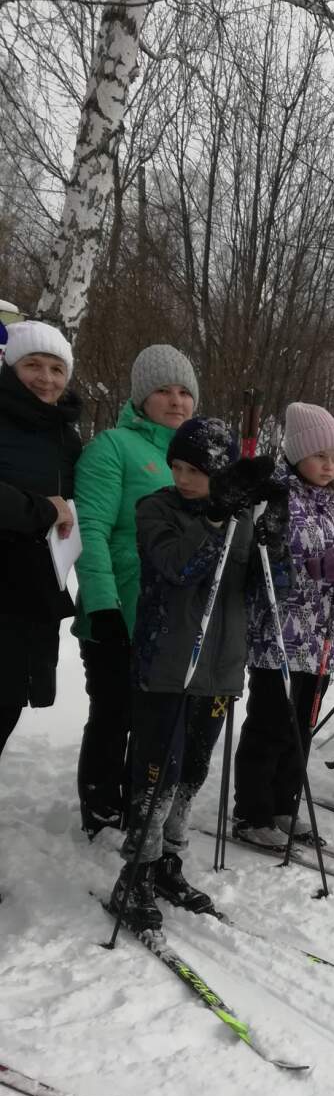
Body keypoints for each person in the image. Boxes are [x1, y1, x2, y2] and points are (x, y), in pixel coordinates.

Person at [108, 420, 282, 930]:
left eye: (197, 471)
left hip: (220, 669)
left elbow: (266, 590)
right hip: (167, 666)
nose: (183, 478)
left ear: (223, 473)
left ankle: (169, 861)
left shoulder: (243, 517)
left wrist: (274, 537)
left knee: (192, 773)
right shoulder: (155, 509)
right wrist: (214, 516)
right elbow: (178, 568)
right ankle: (136, 871)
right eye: (178, 467)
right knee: (158, 775)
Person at [233, 404, 334, 848]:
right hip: (278, 634)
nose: (329, 466)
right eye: (320, 457)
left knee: (301, 728)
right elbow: (260, 564)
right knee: (271, 725)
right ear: (296, 455)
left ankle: (283, 805)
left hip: (323, 637)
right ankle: (252, 812)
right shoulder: (275, 498)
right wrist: (312, 567)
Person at [74, 344, 200, 835]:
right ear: (141, 397)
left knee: (156, 720)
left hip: (173, 617)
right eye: (164, 390)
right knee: (114, 713)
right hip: (119, 610)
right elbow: (91, 529)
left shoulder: (194, 457)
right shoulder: (112, 447)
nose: (176, 401)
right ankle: (101, 804)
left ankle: (138, 801)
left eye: (185, 391)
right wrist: (102, 603)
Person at [0, 321, 81, 763]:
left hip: (31, 593)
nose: (46, 378)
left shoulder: (65, 435)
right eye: (33, 364)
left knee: (8, 704)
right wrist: (44, 510)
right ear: (11, 366)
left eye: (56, 368)